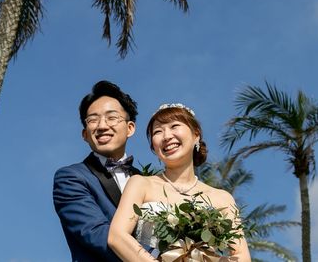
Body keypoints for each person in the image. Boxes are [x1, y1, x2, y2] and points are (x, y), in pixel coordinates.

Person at [108, 103, 251, 262]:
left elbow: (242, 256)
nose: (166, 136)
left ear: (196, 135)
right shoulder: (140, 184)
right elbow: (117, 236)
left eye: (174, 126)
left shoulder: (223, 198)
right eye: (157, 132)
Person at [53, 80, 140, 261]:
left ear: (130, 128)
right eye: (93, 120)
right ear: (85, 134)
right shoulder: (70, 178)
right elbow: (98, 235)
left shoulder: (148, 180)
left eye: (112, 117)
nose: (102, 126)